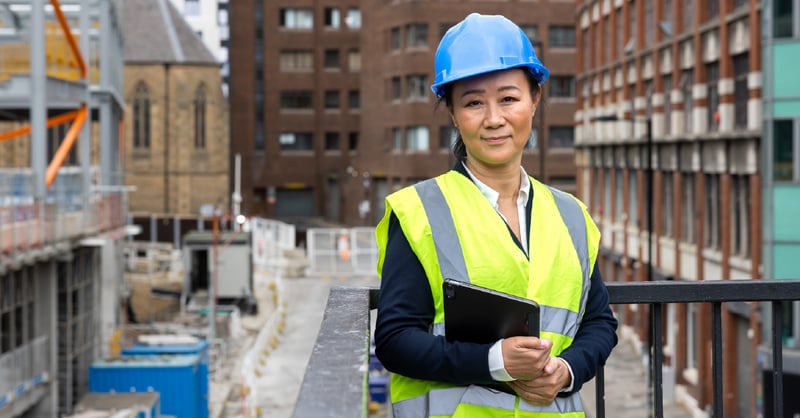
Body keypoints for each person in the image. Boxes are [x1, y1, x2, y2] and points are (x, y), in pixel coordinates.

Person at [374, 13, 618, 418]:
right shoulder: (419, 211)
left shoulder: (572, 215)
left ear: (535, 98)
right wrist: (494, 362)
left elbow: (599, 324)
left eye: (508, 98)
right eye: (473, 103)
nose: (493, 119)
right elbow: (396, 340)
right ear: (452, 112)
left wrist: (567, 369)